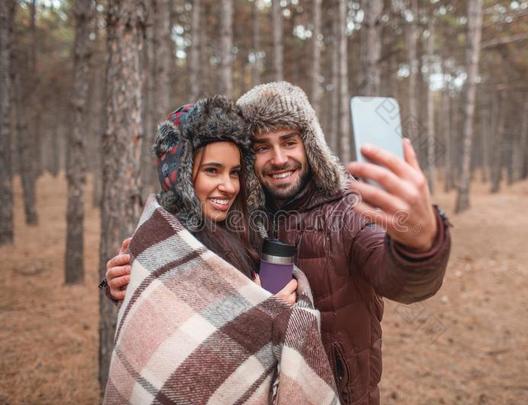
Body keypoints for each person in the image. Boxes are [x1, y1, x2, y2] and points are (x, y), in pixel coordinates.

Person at [106, 82, 451, 404]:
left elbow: (400, 280)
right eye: (261, 147)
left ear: (309, 144)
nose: (279, 158)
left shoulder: (347, 210)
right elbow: (192, 303)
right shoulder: (235, 216)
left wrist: (421, 243)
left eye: (289, 141)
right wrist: (137, 278)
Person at [103, 95, 338, 404]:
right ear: (181, 173)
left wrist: (269, 309)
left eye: (235, 172)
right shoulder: (156, 240)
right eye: (212, 170)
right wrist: (263, 313)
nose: (228, 186)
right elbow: (167, 349)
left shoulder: (242, 233)